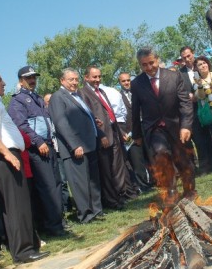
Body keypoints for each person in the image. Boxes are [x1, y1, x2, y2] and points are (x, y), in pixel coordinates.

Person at [0, 72, 48, 264]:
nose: (4, 83)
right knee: (16, 206)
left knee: (12, 206)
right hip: (3, 158)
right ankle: (23, 251)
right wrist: (7, 154)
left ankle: (25, 247)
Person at [7, 66, 66, 237]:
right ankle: (52, 225)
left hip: (48, 145)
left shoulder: (37, 98)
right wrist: (38, 141)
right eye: (28, 78)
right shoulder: (17, 101)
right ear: (20, 80)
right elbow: (21, 126)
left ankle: (58, 221)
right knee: (47, 187)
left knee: (56, 183)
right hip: (37, 149)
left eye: (34, 77)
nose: (32, 80)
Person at [131, 47, 196, 203]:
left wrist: (186, 126)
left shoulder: (174, 76)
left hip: (176, 125)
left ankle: (190, 191)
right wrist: (137, 135)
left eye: (151, 63)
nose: (149, 68)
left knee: (183, 159)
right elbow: (135, 110)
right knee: (160, 154)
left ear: (157, 60)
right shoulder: (137, 84)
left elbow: (185, 103)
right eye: (144, 65)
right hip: (154, 129)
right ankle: (171, 191)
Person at [48, 68, 104, 224]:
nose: (74, 82)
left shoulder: (77, 95)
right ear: (62, 81)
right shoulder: (58, 98)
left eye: (76, 79)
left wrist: (93, 120)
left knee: (93, 180)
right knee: (80, 183)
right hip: (75, 148)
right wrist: (74, 145)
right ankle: (85, 215)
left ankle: (97, 210)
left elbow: (82, 115)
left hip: (89, 143)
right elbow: (61, 123)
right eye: (70, 80)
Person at [79, 66, 136, 209]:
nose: (97, 80)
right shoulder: (83, 93)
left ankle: (120, 194)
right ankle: (111, 200)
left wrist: (119, 131)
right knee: (106, 169)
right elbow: (90, 117)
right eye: (94, 77)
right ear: (86, 78)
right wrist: (101, 135)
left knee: (118, 166)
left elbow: (110, 113)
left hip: (114, 132)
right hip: (101, 136)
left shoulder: (102, 91)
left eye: (99, 76)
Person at [179, 46, 212, 174]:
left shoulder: (201, 66)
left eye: (189, 56)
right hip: (193, 109)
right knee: (199, 138)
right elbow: (180, 91)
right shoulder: (180, 73)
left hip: (209, 105)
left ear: (193, 54)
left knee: (211, 135)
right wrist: (189, 96)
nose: (187, 59)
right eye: (184, 57)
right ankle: (205, 166)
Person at [118, 72, 151, 191]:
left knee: (151, 155)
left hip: (145, 128)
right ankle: (143, 186)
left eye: (128, 80)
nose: (127, 83)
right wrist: (122, 133)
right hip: (130, 133)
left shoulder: (138, 92)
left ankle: (157, 181)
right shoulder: (118, 97)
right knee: (137, 160)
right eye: (123, 81)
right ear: (119, 83)